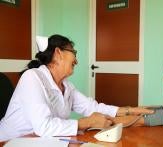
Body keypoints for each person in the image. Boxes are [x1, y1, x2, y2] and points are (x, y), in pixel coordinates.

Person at [0, 34, 153, 142]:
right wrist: (87, 122)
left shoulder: (67, 86)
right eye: (74, 53)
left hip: (42, 142)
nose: (77, 61)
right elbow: (44, 127)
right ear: (58, 53)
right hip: (11, 142)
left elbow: (92, 107)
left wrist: (130, 109)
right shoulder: (32, 78)